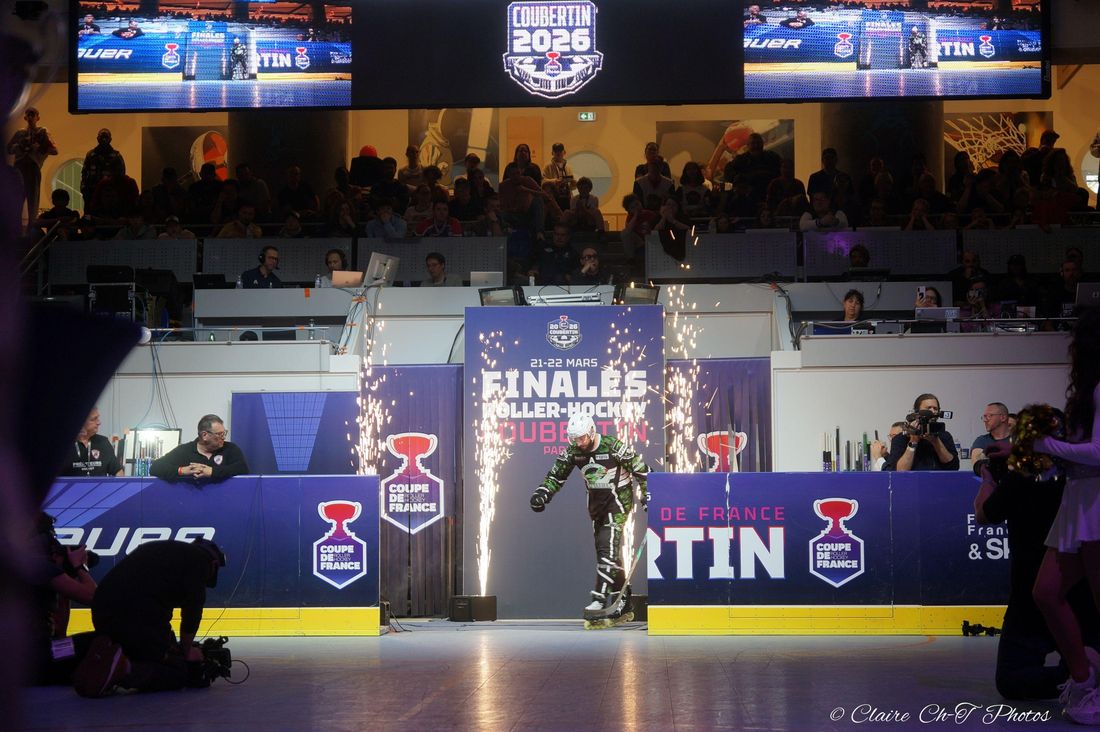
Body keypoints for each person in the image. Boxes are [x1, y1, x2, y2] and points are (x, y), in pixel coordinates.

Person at [974, 441, 1100, 701]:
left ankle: (1078, 676)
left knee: (1011, 680)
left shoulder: (1022, 476)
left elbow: (984, 514)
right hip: (1074, 594)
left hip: (1031, 596)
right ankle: (1081, 675)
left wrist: (988, 480)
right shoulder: (1075, 478)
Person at [1031, 308, 1100, 723]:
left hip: (1095, 504)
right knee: (1046, 592)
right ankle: (1084, 676)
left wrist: (1046, 446)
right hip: (1077, 503)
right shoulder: (1087, 391)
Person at [530, 413, 649, 625]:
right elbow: (556, 475)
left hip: (618, 503)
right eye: (574, 438)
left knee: (606, 549)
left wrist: (648, 496)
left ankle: (599, 600)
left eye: (582, 437)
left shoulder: (612, 446)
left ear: (592, 431)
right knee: (609, 553)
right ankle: (623, 601)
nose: (579, 442)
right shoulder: (574, 451)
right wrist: (542, 494)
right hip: (596, 507)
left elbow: (642, 470)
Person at [73, 538, 226, 696]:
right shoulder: (200, 562)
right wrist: (187, 651)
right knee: (178, 671)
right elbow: (192, 613)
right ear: (213, 564)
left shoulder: (162, 550)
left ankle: (105, 652)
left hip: (103, 612)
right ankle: (123, 668)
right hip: (136, 616)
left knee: (158, 645)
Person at [28, 512, 97, 685]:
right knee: (98, 640)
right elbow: (93, 597)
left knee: (64, 646)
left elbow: (60, 633)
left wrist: (63, 575)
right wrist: (79, 566)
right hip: (37, 660)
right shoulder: (39, 567)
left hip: (17, 660)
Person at [149, 414, 248, 483]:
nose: (223, 437)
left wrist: (212, 472)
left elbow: (242, 469)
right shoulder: (184, 450)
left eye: (224, 433)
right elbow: (155, 467)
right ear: (204, 435)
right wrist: (181, 470)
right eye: (219, 434)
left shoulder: (230, 448)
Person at [6, 107, 57, 230]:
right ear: (25, 117)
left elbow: (54, 150)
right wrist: (19, 147)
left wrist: (39, 148)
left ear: (38, 117)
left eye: (32, 114)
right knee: (17, 198)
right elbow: (9, 149)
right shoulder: (20, 133)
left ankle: (31, 228)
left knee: (33, 199)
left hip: (33, 167)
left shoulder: (42, 132)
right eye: (28, 115)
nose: (30, 117)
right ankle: (15, 228)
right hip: (19, 168)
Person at [883, 393, 960, 471]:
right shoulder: (900, 439)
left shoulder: (945, 436)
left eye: (935, 408)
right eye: (928, 408)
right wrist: (913, 441)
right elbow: (899, 471)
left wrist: (936, 441)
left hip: (939, 478)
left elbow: (954, 467)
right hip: (914, 479)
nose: (932, 411)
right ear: (917, 412)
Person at [61, 408, 123, 477]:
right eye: (94, 419)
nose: (99, 422)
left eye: (98, 418)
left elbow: (118, 472)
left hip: (99, 484)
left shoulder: (103, 442)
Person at [79, 129, 124, 207]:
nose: (104, 139)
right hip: (92, 191)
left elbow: (121, 175)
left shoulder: (116, 156)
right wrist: (83, 188)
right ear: (97, 138)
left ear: (110, 139)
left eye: (106, 137)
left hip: (110, 193)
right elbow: (84, 173)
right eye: (102, 137)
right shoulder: (91, 155)